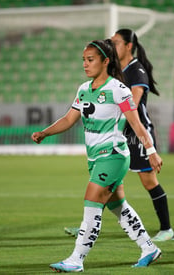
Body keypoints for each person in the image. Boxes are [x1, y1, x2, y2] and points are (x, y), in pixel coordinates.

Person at [32, 39, 162, 272]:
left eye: (90, 60)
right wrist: (45, 133)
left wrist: (151, 151)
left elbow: (137, 123)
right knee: (119, 207)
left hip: (113, 156)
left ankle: (76, 259)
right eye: (83, 60)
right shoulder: (83, 89)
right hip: (95, 159)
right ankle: (148, 247)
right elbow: (68, 119)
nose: (85, 64)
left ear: (105, 61)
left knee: (91, 202)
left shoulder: (118, 89)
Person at [65, 29, 174, 242]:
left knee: (149, 181)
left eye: (117, 42)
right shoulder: (116, 70)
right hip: (118, 135)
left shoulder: (136, 71)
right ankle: (87, 226)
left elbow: (130, 104)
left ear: (128, 47)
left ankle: (166, 229)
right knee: (109, 184)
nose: (113, 45)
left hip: (137, 133)